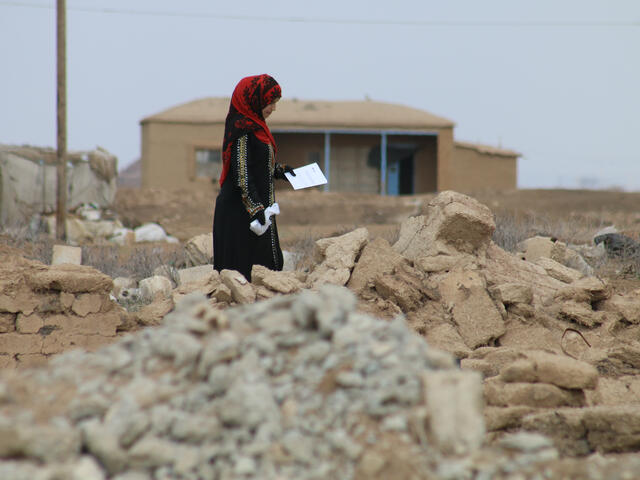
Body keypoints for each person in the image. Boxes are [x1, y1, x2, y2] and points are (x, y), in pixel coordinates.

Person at [212, 74, 295, 280]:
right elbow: (241, 174)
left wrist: (279, 170)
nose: (273, 108)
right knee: (244, 272)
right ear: (256, 100)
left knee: (265, 269)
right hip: (240, 213)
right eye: (270, 102)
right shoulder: (242, 129)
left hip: (255, 209)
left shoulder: (257, 127)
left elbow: (255, 164)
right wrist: (255, 208)